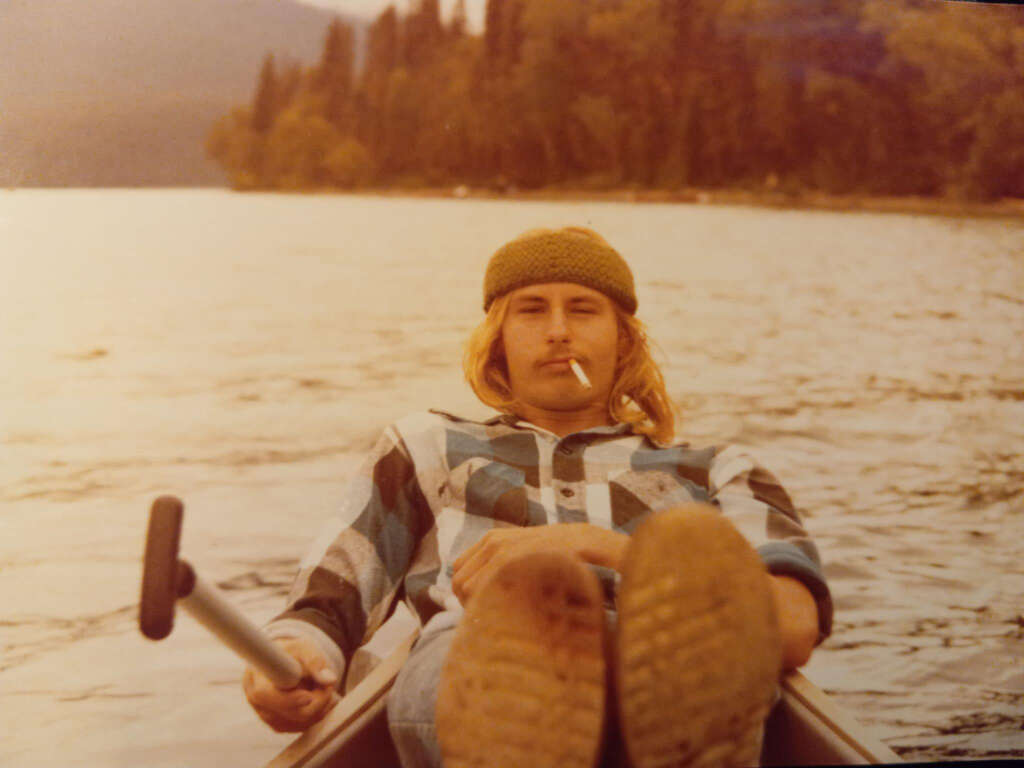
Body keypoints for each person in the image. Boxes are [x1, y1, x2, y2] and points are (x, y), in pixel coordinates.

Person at [243, 227, 833, 767]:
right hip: (478, 653)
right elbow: (325, 605)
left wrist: (607, 550)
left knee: (697, 602)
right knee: (491, 645)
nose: (557, 330)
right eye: (531, 310)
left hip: (658, 654)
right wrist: (287, 663)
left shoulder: (717, 470)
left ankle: (674, 716)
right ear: (498, 340)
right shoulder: (427, 447)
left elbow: (792, 626)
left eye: (583, 309)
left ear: (624, 342)